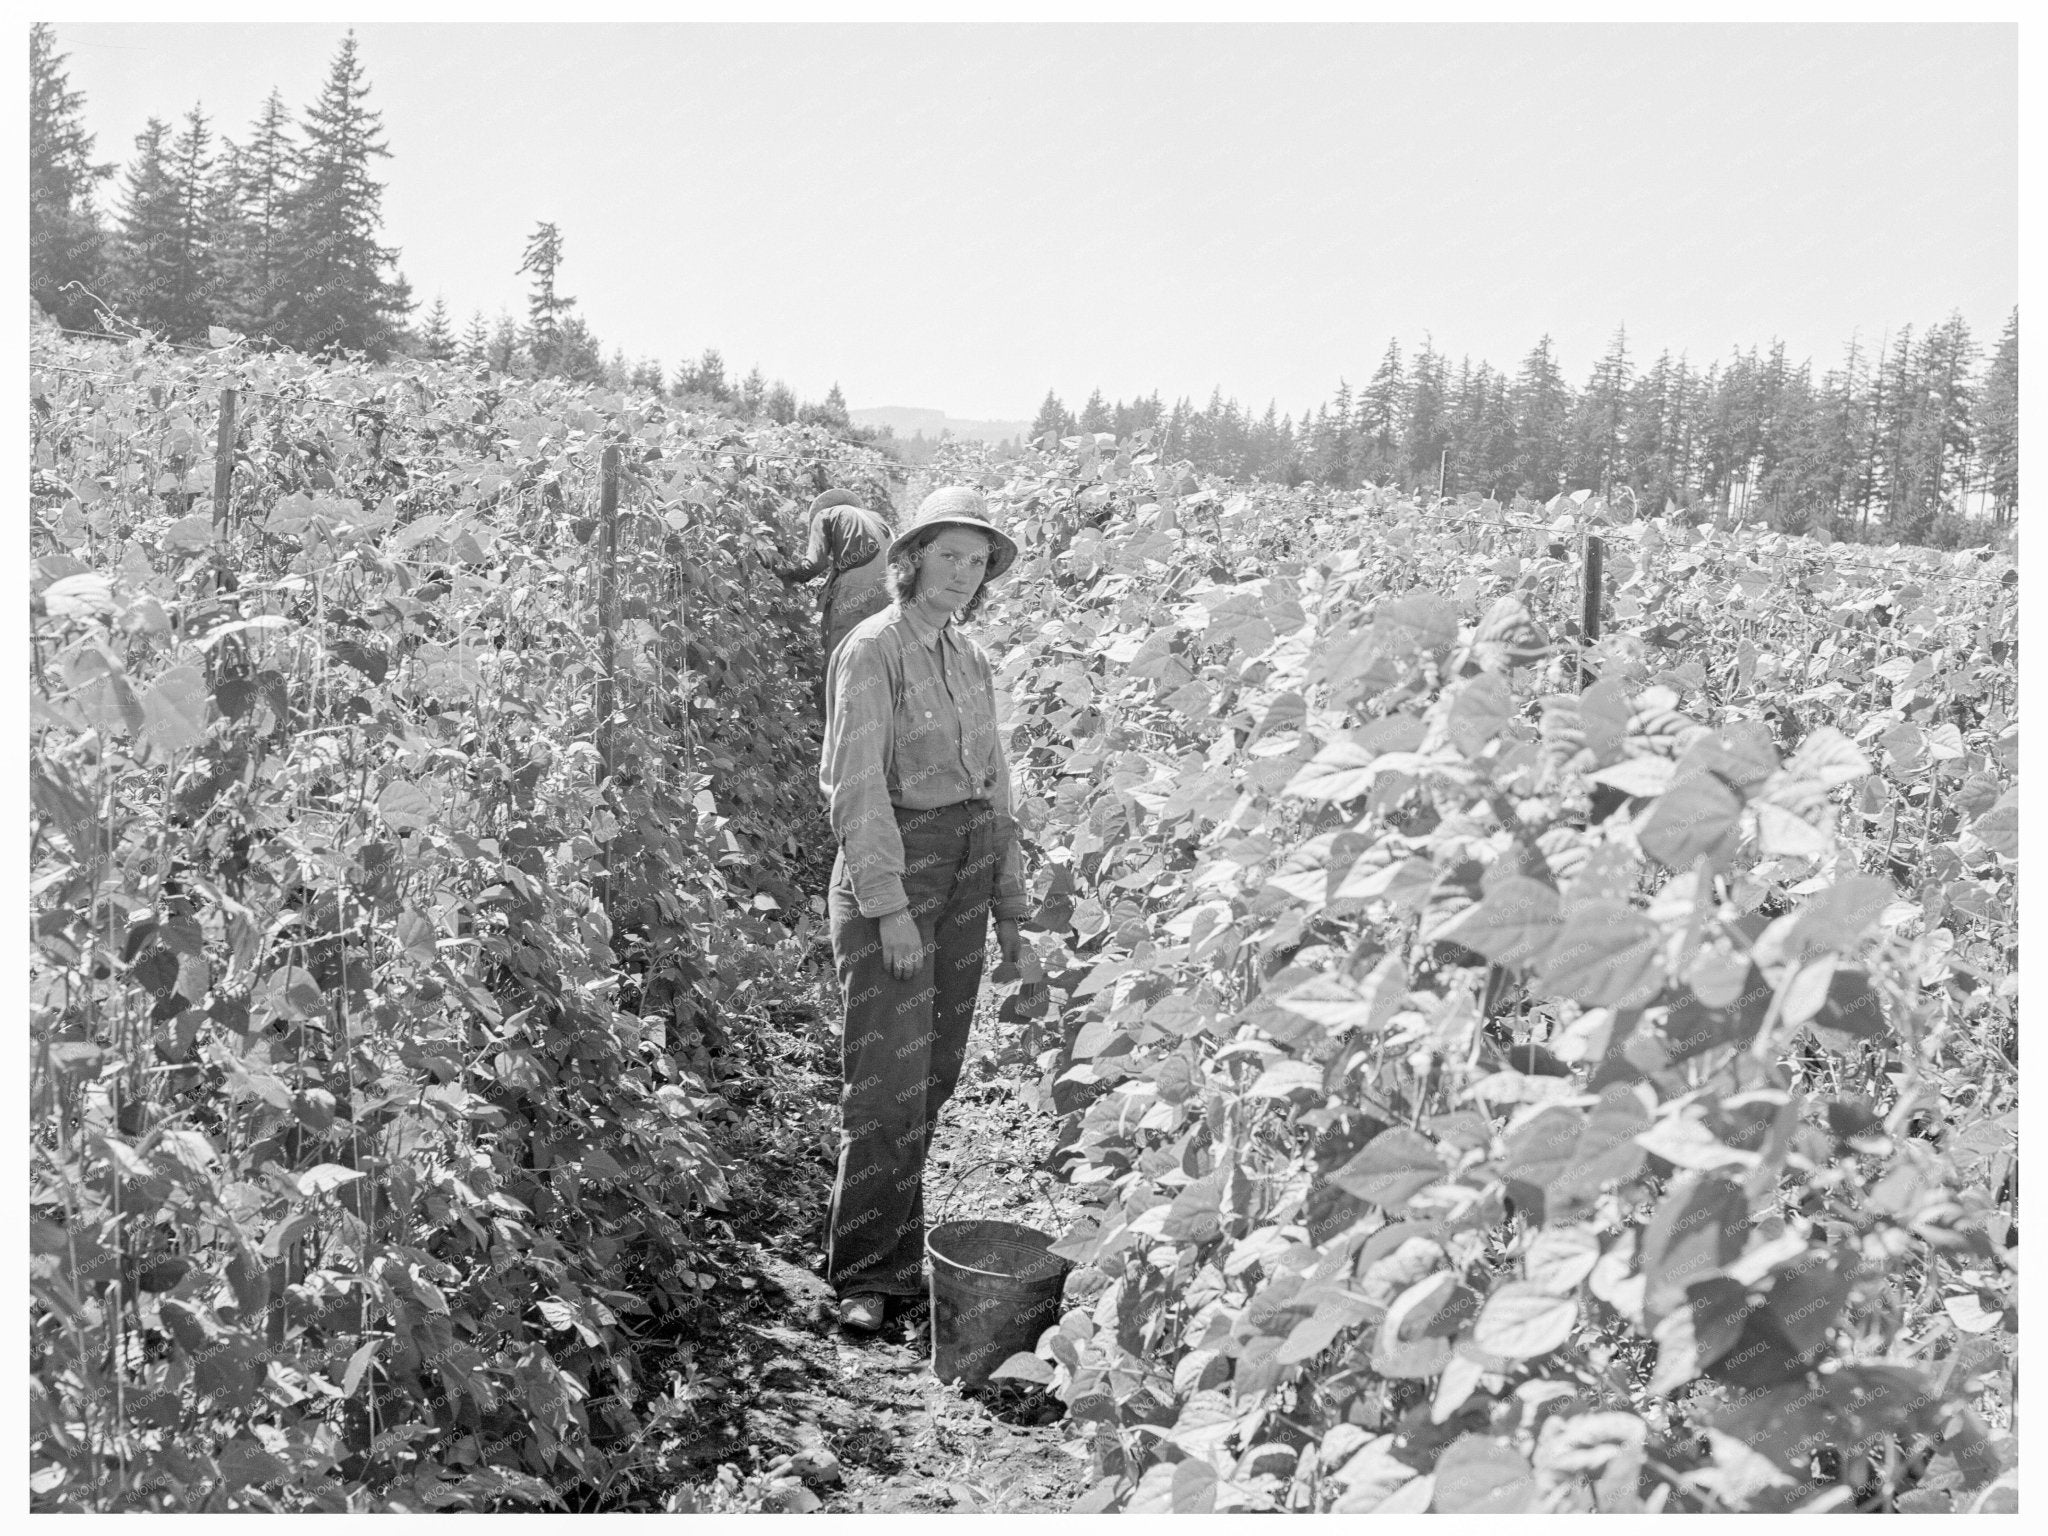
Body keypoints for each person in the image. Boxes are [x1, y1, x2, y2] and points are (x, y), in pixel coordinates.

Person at [817, 486, 1029, 1334]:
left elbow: (997, 786)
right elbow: (855, 784)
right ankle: (868, 1275)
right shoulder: (873, 650)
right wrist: (890, 909)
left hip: (968, 872)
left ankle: (892, 1250)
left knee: (932, 1076)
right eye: (948, 555)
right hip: (896, 871)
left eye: (977, 562)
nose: (963, 573)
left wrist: (1011, 912)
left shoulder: (969, 656)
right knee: (885, 1084)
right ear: (910, 561)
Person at [777, 489, 896, 717]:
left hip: (857, 588)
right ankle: (873, 718)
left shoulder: (826, 515)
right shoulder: (876, 519)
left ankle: (832, 721)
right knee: (875, 656)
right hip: (892, 589)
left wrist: (785, 574)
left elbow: (814, 563)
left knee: (840, 657)